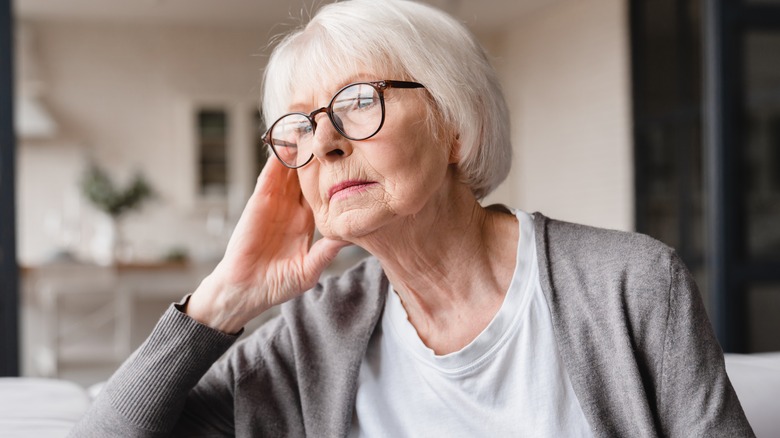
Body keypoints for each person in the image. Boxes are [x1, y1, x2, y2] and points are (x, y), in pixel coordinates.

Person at [70, 0, 754, 436]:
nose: (328, 141)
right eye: (301, 127)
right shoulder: (309, 338)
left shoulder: (629, 284)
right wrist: (224, 298)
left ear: (455, 126)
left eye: (359, 101)